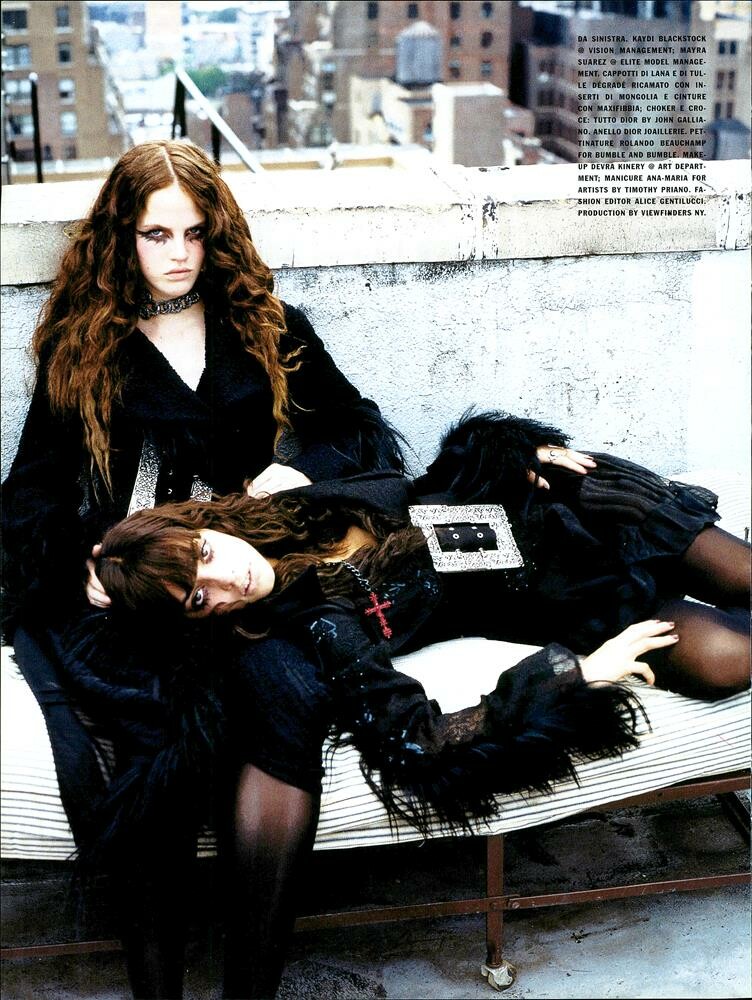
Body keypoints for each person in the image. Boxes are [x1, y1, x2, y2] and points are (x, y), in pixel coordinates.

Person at [89, 412, 750, 997]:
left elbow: (427, 481)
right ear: (197, 621)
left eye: (204, 554)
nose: (228, 578)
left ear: (204, 524)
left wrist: (513, 450)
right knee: (728, 657)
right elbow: (420, 740)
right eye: (199, 596)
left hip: (564, 501)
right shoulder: (312, 623)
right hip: (573, 597)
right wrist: (575, 676)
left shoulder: (293, 502)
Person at [1, 139, 407, 1000]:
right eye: (157, 234)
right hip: (140, 590)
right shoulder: (85, 347)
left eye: (194, 233)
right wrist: (78, 561)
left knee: (287, 698)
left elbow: (359, 429)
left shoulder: (266, 325)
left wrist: (298, 470)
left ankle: (250, 988)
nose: (179, 254)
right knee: (153, 734)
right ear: (123, 237)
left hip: (245, 572)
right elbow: (31, 490)